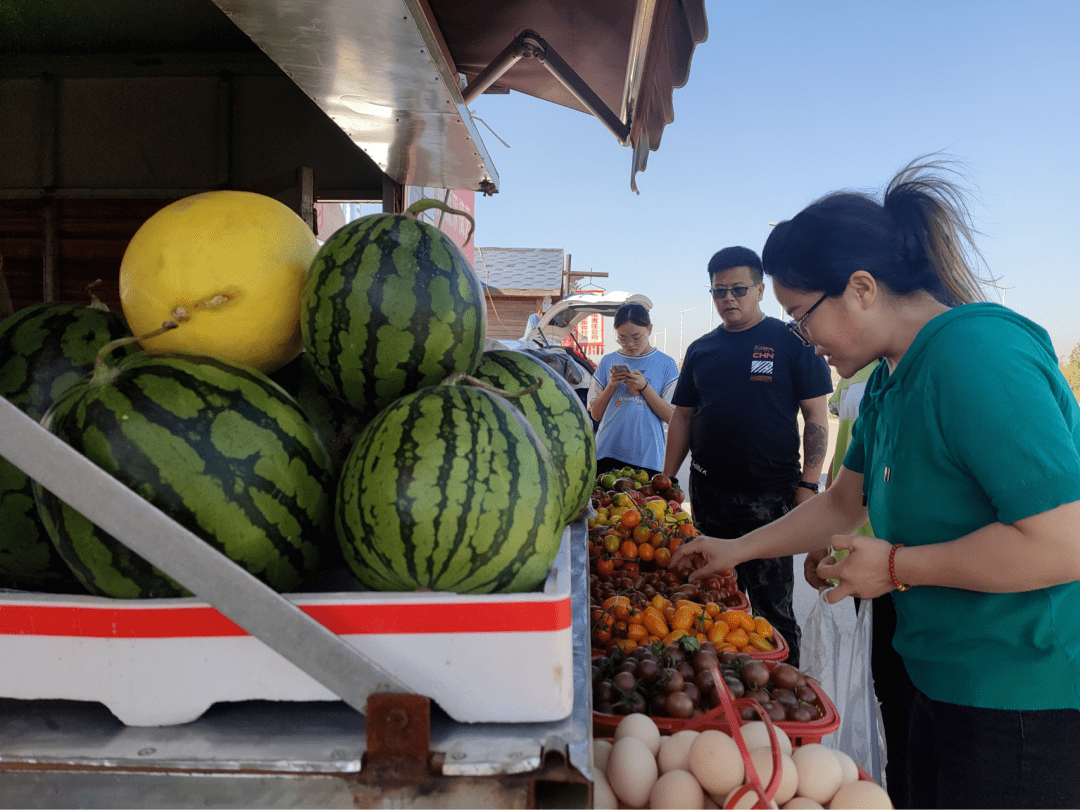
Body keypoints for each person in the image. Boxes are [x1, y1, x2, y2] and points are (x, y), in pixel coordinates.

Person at [669, 156, 1080, 810]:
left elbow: (1063, 541)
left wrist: (894, 564)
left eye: (802, 316)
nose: (804, 339)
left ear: (861, 287)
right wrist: (736, 549)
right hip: (935, 673)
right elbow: (842, 501)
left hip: (1018, 693)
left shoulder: (976, 355)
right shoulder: (889, 380)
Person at [662, 246, 832, 667]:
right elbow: (682, 418)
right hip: (709, 494)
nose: (728, 299)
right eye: (719, 291)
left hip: (770, 499)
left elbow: (816, 417)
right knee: (712, 597)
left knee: (772, 608)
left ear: (760, 289)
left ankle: (785, 687)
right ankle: (721, 683)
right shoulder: (701, 350)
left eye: (739, 289)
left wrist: (809, 485)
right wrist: (666, 481)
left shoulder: (793, 341)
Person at [588, 303, 680, 479]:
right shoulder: (608, 361)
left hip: (648, 459)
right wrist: (611, 386)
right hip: (607, 453)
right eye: (622, 338)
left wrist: (644, 387)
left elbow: (672, 417)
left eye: (636, 337)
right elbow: (596, 414)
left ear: (650, 329)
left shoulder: (667, 364)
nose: (629, 344)